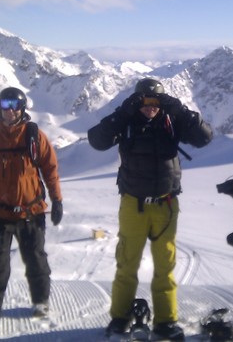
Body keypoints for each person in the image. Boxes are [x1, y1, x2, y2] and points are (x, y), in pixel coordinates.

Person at [88, 78, 213, 341]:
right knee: (126, 263)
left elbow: (204, 137)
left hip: (166, 204)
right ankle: (120, 318)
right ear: (137, 100)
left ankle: (166, 321)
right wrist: (123, 112)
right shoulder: (127, 121)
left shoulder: (172, 120)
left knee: (165, 266)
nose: (150, 106)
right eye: (145, 100)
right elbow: (97, 140)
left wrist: (179, 109)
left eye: (155, 101)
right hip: (133, 203)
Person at [0, 87, 63, 337]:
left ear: (22, 108)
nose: (10, 111)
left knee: (36, 260)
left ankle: (40, 301)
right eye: (6, 105)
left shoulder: (33, 136)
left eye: (15, 105)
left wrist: (57, 200)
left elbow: (50, 169)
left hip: (31, 211)